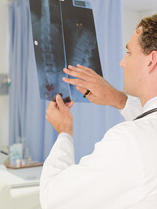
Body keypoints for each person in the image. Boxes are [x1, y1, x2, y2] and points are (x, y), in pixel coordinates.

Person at [41, 14, 157, 208]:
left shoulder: (130, 141)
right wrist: (118, 99)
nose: (122, 62)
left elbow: (52, 199)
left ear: (151, 60)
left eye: (129, 52)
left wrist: (64, 132)